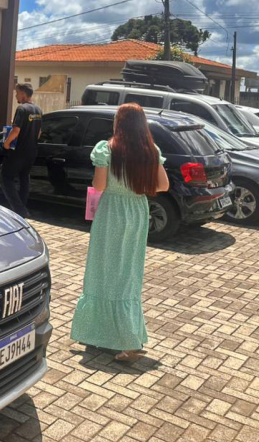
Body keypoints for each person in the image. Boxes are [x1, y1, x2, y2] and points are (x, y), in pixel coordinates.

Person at [71, 103, 170, 362]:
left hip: (112, 211)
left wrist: (103, 179)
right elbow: (163, 184)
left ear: (120, 123)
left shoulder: (108, 148)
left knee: (103, 270)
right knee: (127, 273)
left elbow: (100, 184)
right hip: (137, 212)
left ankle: (128, 341)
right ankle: (109, 333)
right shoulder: (151, 150)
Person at [2, 83, 43, 218]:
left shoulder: (21, 109)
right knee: (24, 178)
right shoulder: (38, 110)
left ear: (23, 94)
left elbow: (16, 131)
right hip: (32, 151)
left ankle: (19, 209)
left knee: (6, 178)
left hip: (18, 152)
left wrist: (6, 144)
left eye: (17, 93)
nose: (15, 96)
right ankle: (21, 208)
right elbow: (39, 133)